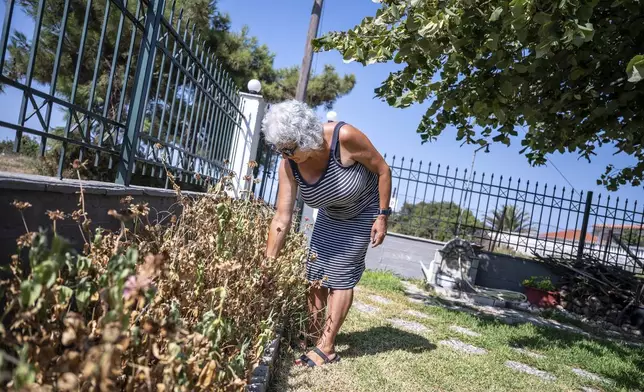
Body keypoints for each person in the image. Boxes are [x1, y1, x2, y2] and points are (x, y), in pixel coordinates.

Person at [263, 100, 392, 367]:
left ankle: (328, 346)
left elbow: (382, 170)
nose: (285, 155)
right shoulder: (289, 165)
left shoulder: (344, 138)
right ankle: (311, 334)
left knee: (340, 275)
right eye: (280, 150)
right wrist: (269, 263)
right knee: (315, 275)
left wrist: (382, 215)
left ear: (307, 137)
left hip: (363, 209)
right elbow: (282, 217)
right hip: (331, 213)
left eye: (289, 148)